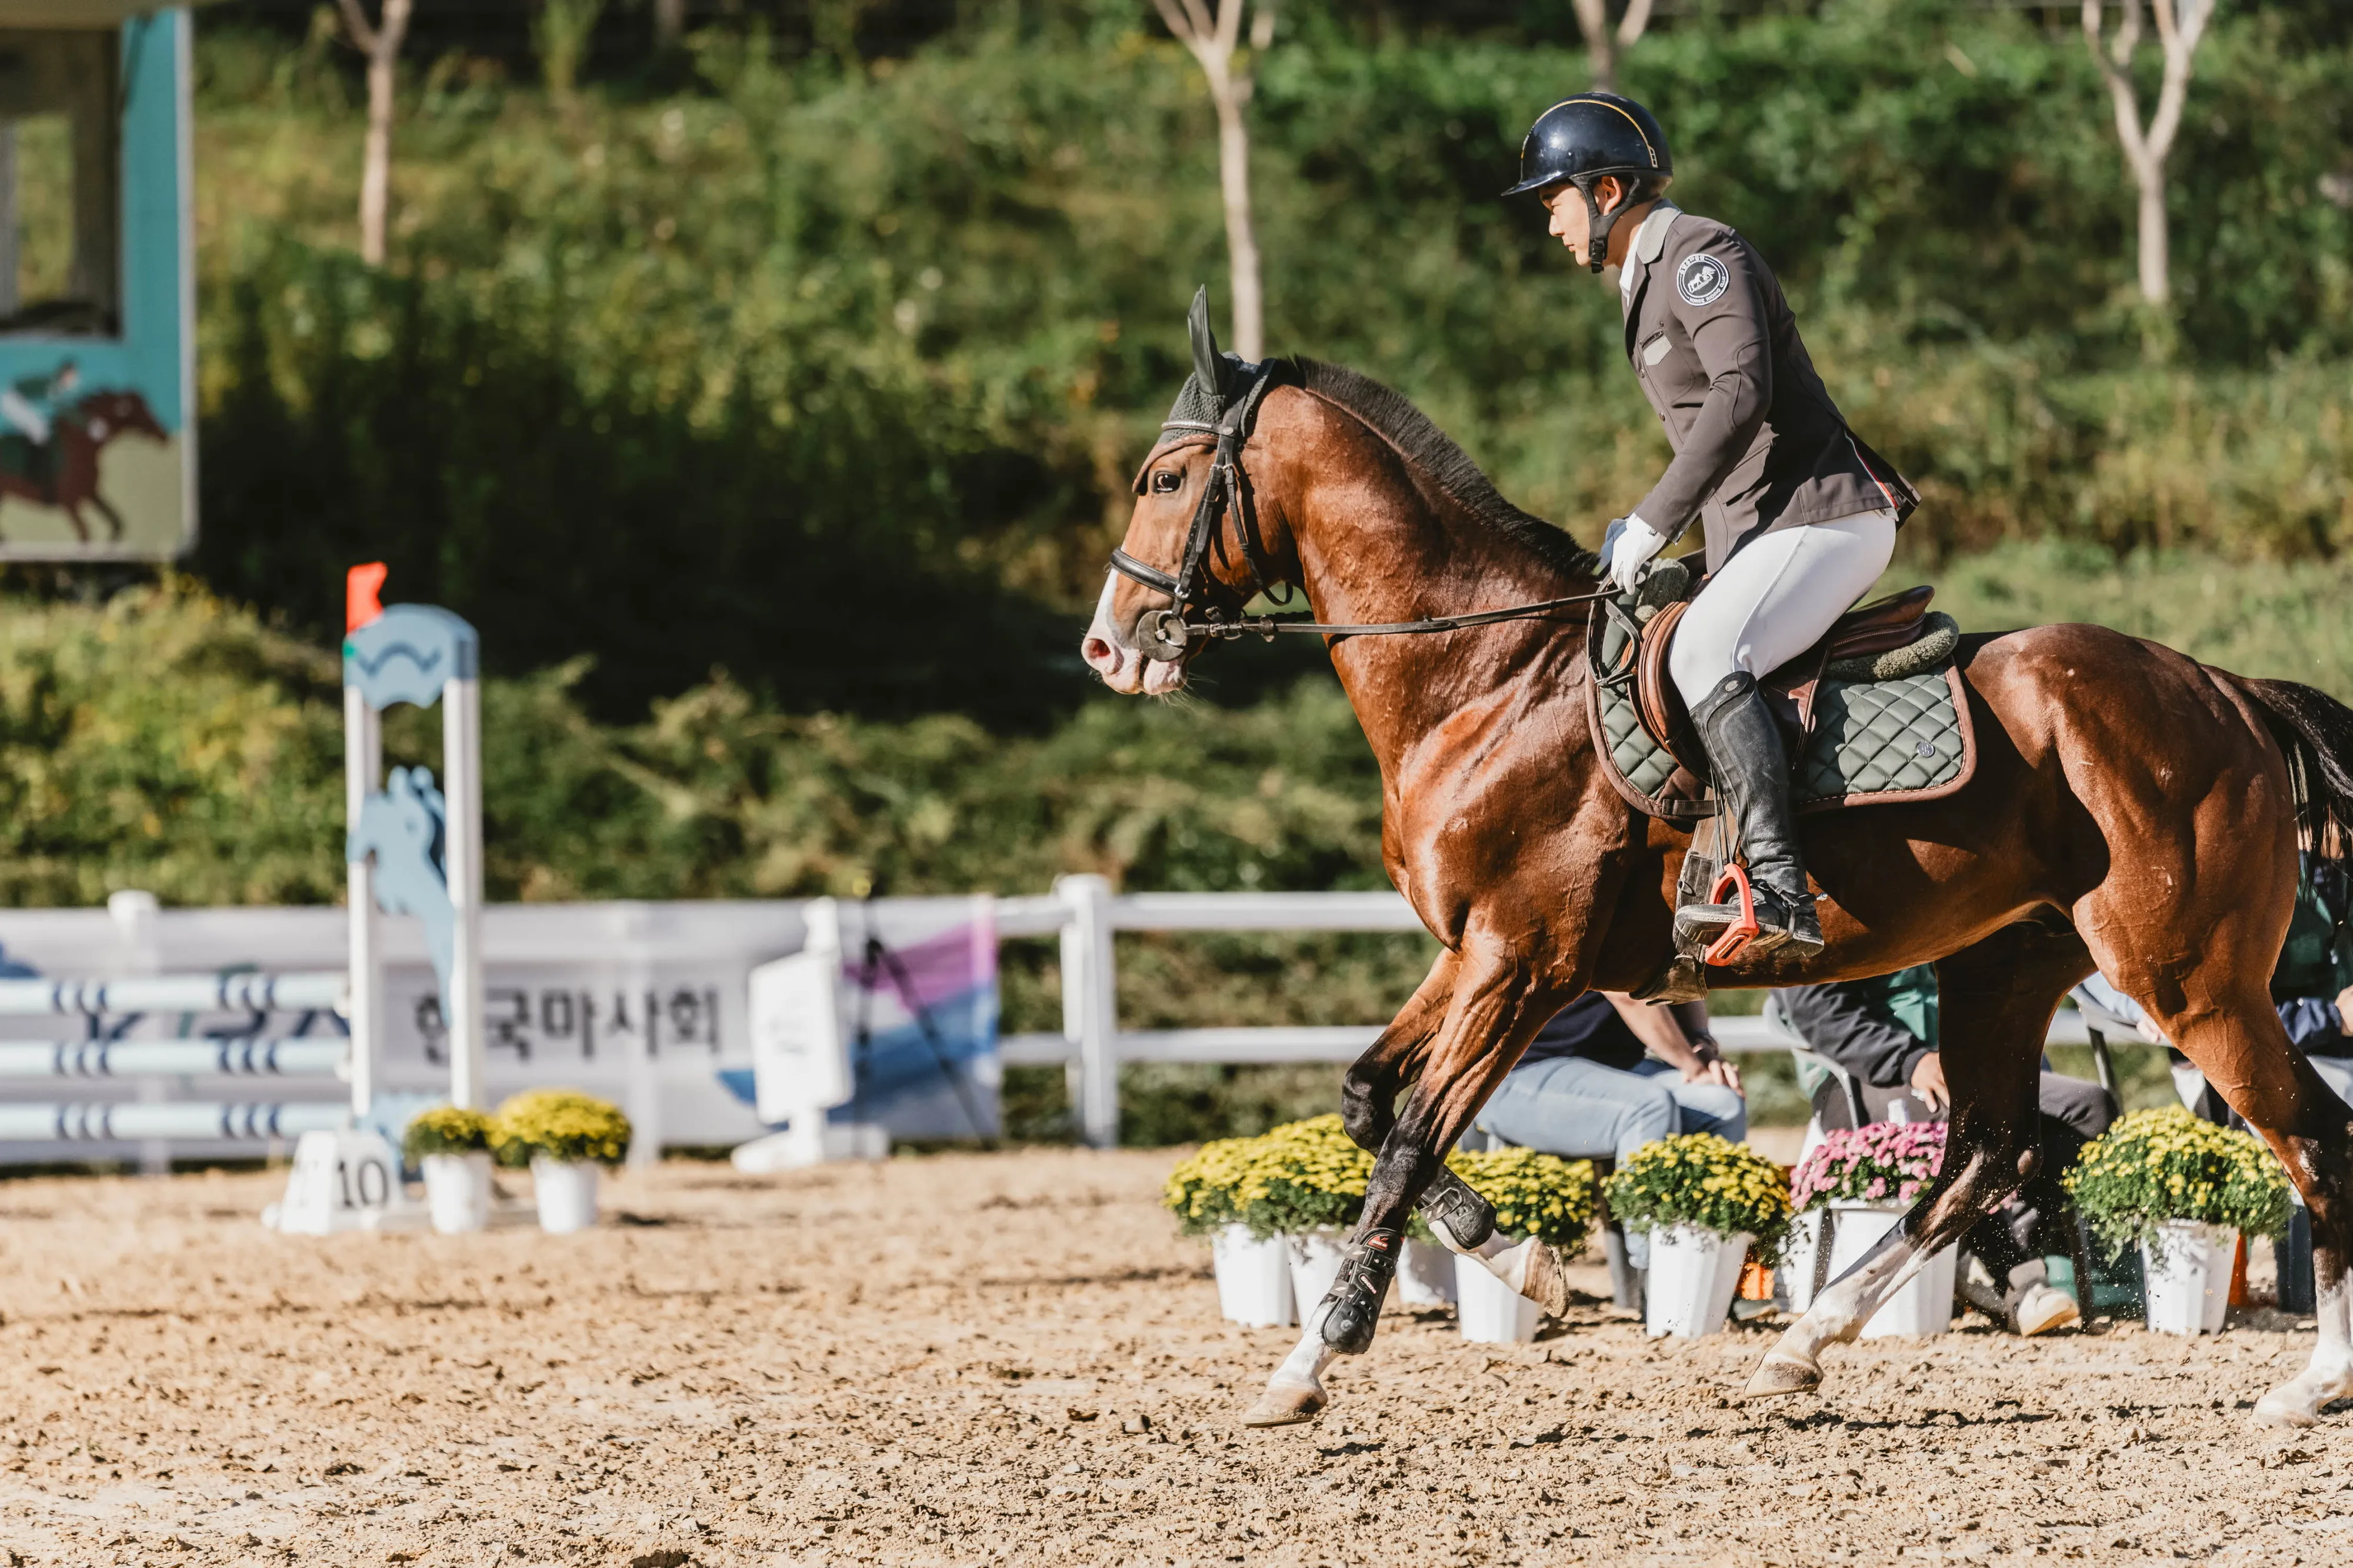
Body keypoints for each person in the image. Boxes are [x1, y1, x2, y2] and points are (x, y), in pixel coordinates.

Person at [1504, 95, 1919, 956]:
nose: (1550, 225)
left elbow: (1742, 391)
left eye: (1555, 201)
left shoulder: (1699, 253)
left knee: (1701, 652)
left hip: (1826, 511)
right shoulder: (1644, 283)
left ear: (1608, 188)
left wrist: (1657, 519)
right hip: (1767, 529)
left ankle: (1776, 887)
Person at [1772, 966, 2109, 1336]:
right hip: (1866, 1074)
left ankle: (1993, 1260)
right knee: (1966, 1117)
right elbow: (1813, 1008)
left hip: (1966, 1069)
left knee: (2088, 1108)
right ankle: (2015, 1280)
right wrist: (1910, 1061)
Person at [1474, 990, 1744, 1268]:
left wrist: (1701, 1043)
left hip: (1620, 1068)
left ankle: (1720, 1269)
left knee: (1723, 1104)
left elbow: (1686, 978)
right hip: (1518, 1074)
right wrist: (1695, 1069)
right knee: (1648, 1108)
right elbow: (1627, 993)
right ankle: (1654, 1272)